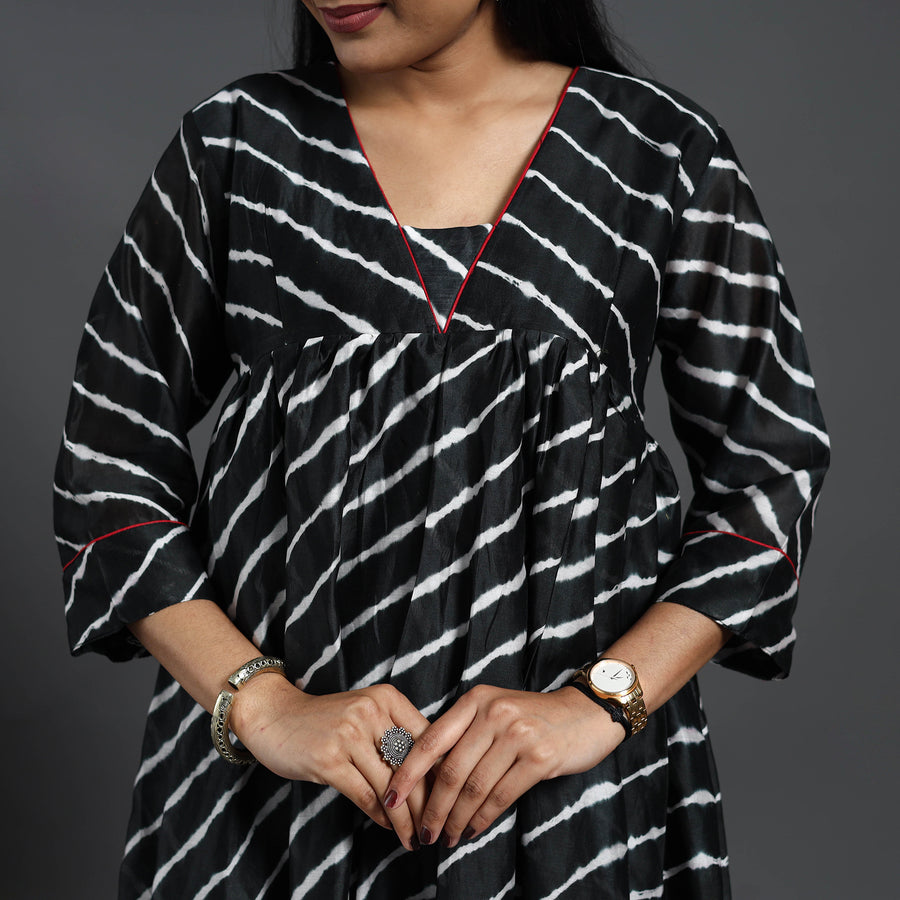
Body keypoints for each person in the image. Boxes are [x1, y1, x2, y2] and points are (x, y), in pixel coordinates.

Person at [53, 1, 829, 897]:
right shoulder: (236, 146)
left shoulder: (658, 152)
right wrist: (262, 706)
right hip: (269, 807)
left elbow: (769, 476)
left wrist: (598, 704)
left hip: (570, 806)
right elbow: (107, 466)